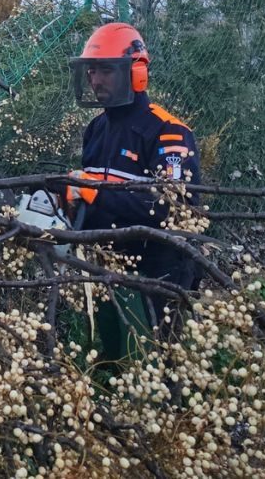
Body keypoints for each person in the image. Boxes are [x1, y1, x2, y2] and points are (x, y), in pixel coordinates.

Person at [63, 22, 201, 349]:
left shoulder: (169, 133)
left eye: (106, 70)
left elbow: (174, 208)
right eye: (91, 70)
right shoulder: (96, 130)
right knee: (112, 354)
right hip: (107, 262)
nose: (95, 79)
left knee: (159, 358)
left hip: (159, 267)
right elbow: (91, 197)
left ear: (136, 72)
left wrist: (97, 192)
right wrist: (70, 198)